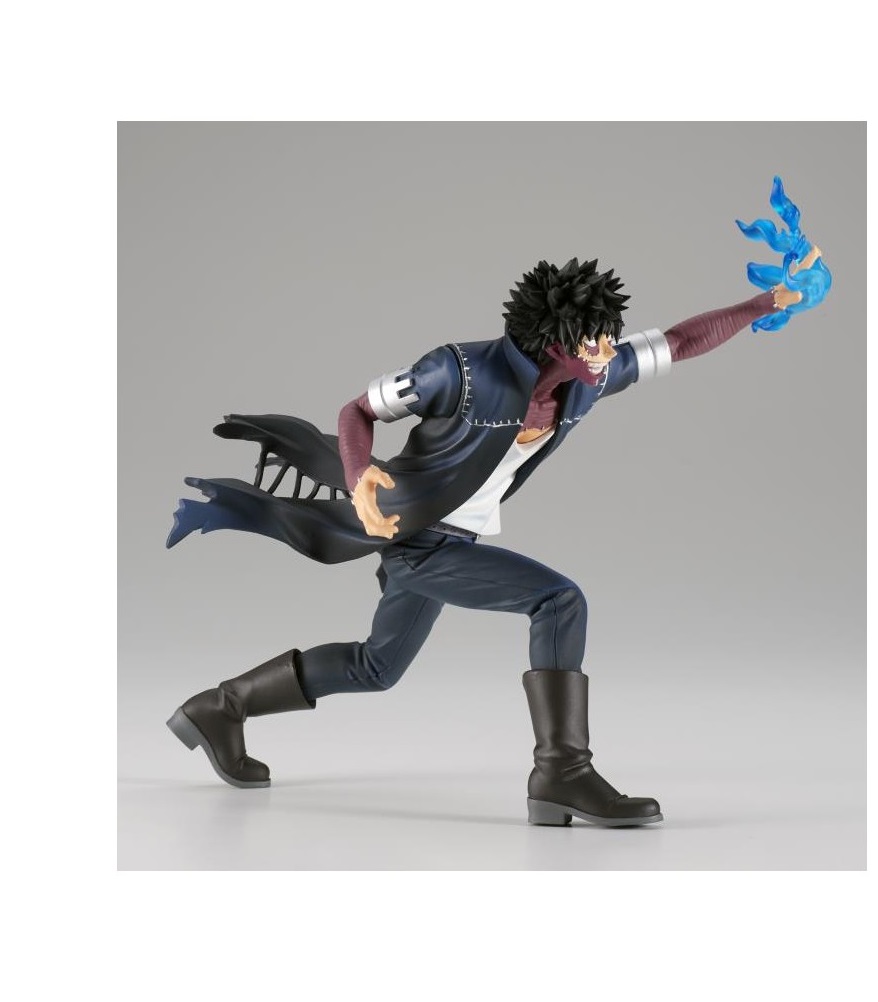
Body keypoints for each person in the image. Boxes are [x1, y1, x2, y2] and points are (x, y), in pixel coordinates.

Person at [166, 185, 829, 827]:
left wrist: (769, 300)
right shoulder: (457, 372)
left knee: (375, 666)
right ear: (556, 342)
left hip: (455, 539)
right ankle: (562, 772)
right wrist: (360, 473)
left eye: (608, 338)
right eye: (593, 341)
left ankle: (220, 708)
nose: (606, 352)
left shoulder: (587, 382)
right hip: (416, 537)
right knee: (559, 601)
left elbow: (679, 342)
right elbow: (357, 410)